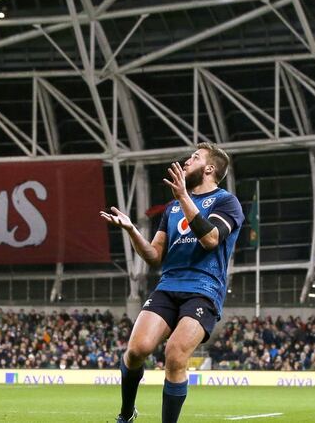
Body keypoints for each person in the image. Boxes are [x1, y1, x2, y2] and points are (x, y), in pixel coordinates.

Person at [100, 143, 244, 423]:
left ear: (210, 169)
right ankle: (127, 415)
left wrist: (183, 197)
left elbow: (211, 239)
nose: (187, 162)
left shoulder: (226, 202)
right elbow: (154, 255)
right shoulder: (172, 208)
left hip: (203, 289)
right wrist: (131, 230)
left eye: (195, 158)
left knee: (175, 354)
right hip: (168, 286)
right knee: (136, 351)